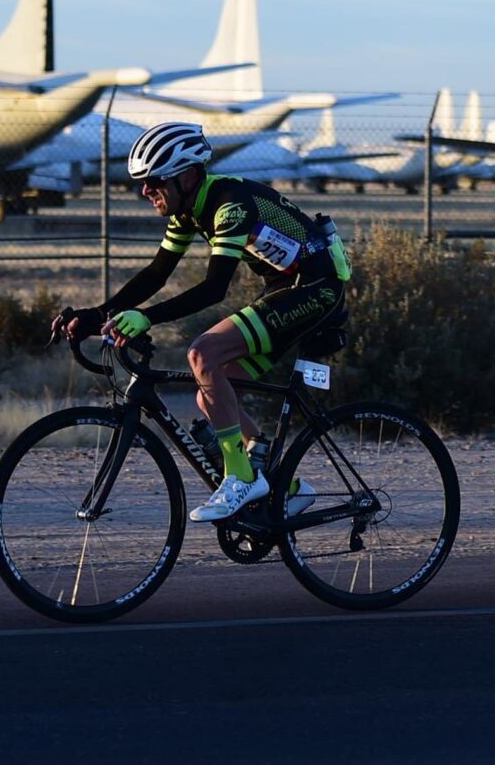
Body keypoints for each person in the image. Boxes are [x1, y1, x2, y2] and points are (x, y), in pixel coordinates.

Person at [62, 121, 351, 522]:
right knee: (211, 392)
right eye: (143, 183)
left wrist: (146, 317)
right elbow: (155, 274)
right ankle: (288, 486)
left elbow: (215, 288)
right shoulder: (188, 210)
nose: (146, 191)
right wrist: (95, 315)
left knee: (203, 353)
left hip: (317, 289)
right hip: (286, 289)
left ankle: (241, 477)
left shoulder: (230, 204)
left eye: (154, 181)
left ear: (187, 176)